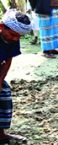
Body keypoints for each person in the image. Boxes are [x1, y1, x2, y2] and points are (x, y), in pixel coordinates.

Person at [0, 9, 32, 143]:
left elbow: (8, 60)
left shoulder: (13, 38)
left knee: (4, 94)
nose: (15, 39)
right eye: (13, 35)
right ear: (1, 27)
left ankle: (0, 135)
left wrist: (0, 81)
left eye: (19, 37)